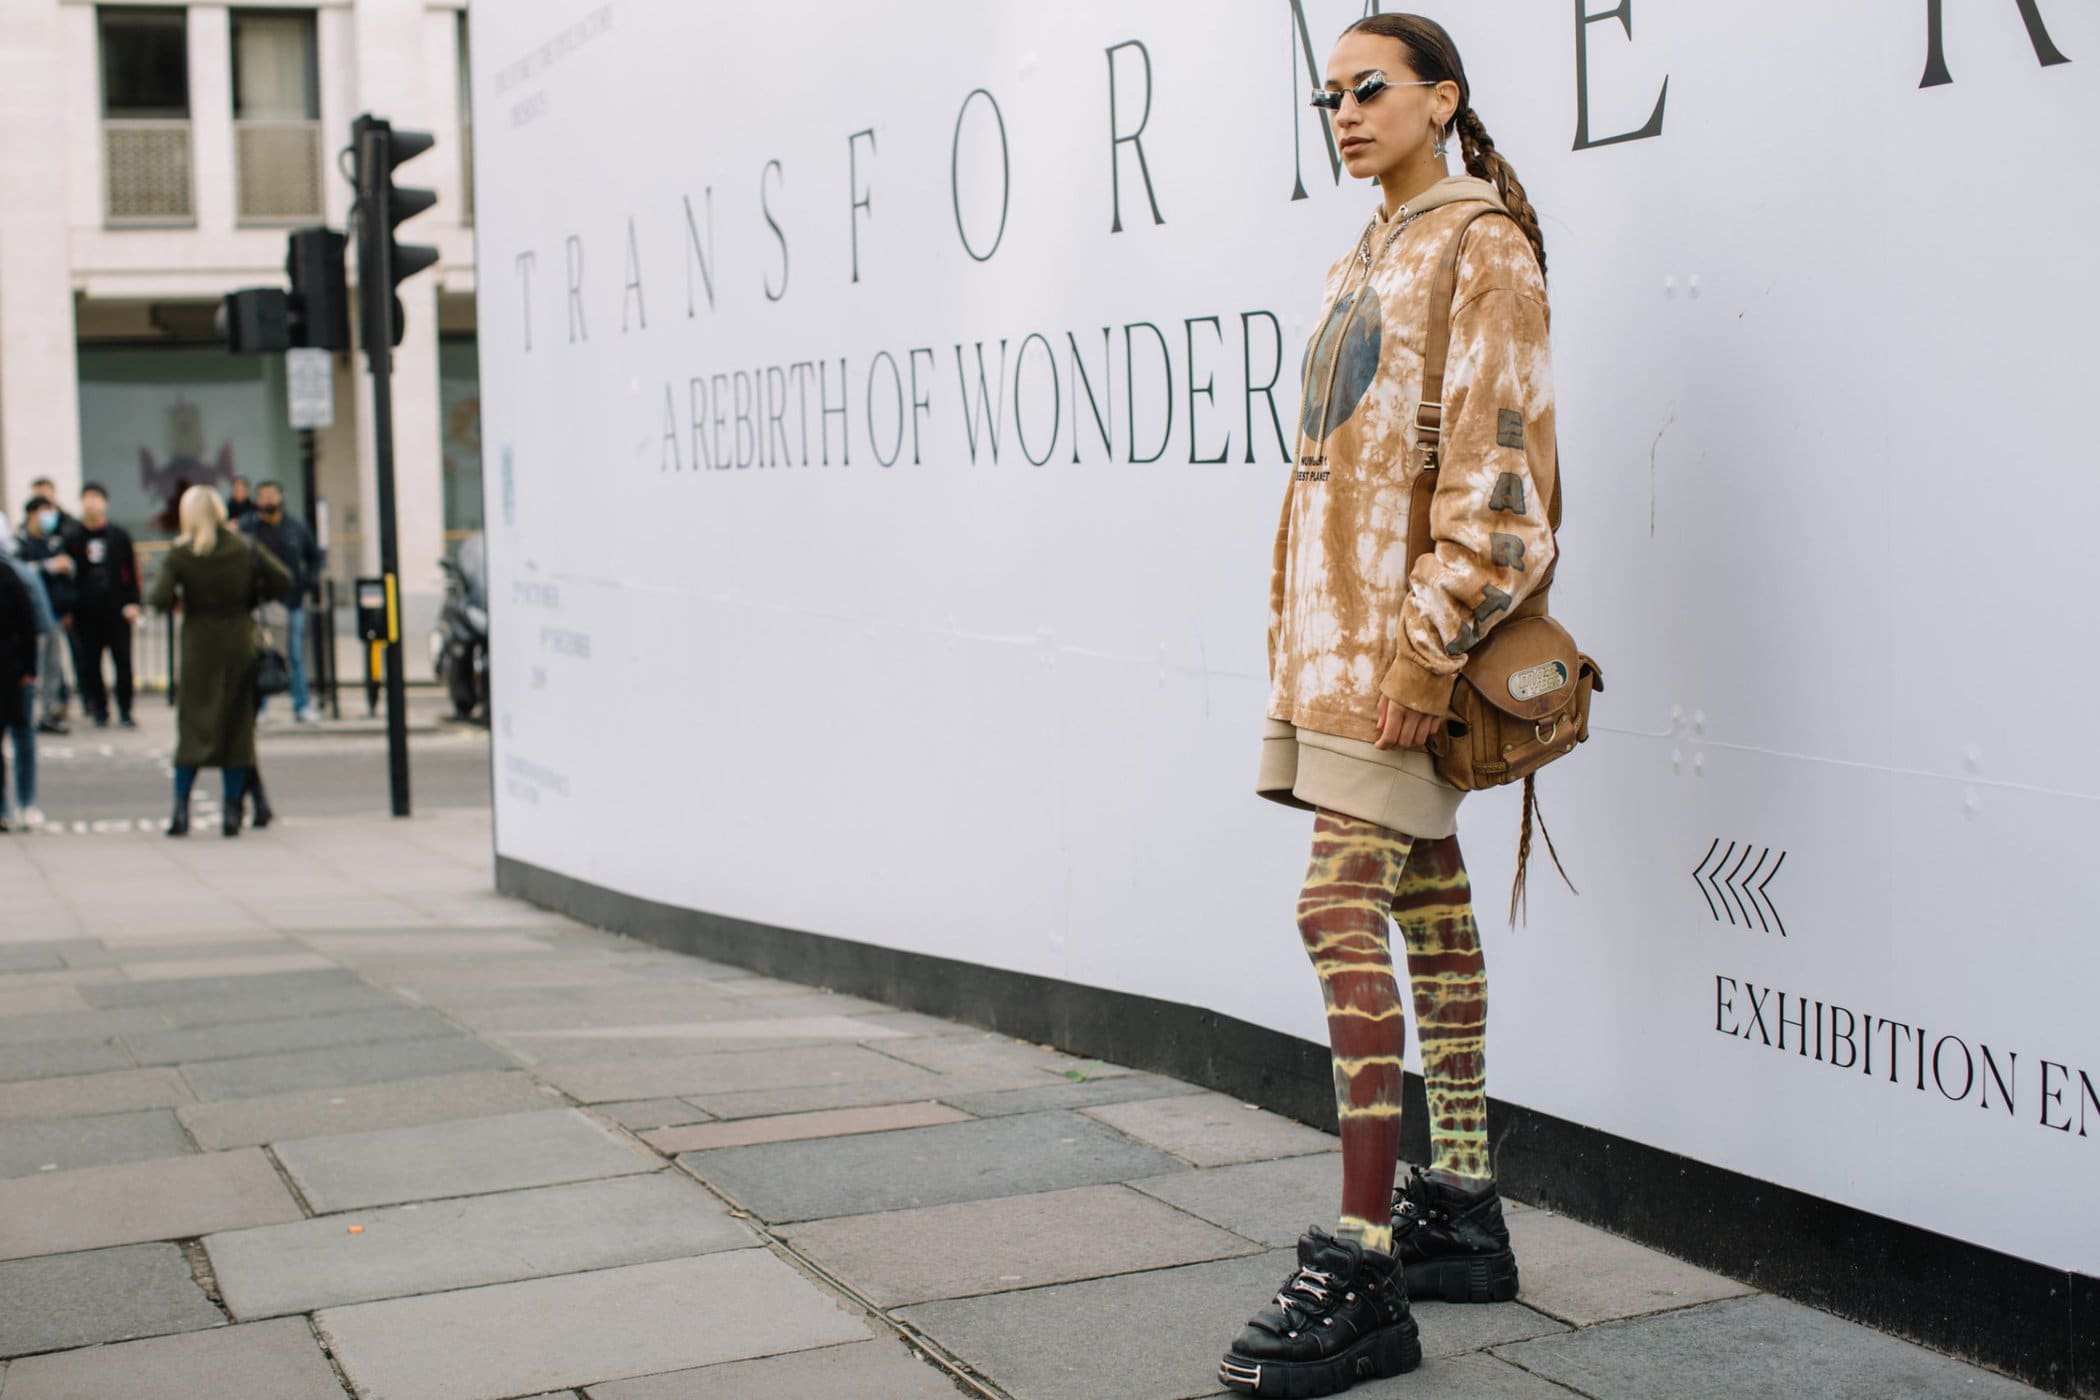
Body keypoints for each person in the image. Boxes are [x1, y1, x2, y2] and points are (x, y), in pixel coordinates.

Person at [1221, 15, 1559, 1396]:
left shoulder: (1483, 247)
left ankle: (1362, 1260)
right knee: (1425, 896)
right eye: (1331, 97)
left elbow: (1503, 482)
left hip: (1397, 660)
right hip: (1335, 654)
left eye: (1370, 89)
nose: (1346, 114)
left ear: (1442, 99)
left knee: (1333, 906)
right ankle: (1460, 1204)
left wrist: (1425, 652)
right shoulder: (1367, 249)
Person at [147, 485, 291, 837]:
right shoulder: (243, 547)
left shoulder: (181, 553)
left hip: (198, 645)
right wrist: (252, 596)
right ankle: (231, 812)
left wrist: (182, 600)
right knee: (236, 731)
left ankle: (181, 811)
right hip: (238, 641)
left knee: (192, 728)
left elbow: (158, 596)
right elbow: (283, 579)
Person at [237, 480, 320, 724]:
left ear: (281, 497)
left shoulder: (296, 527)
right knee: (259, 656)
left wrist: (307, 583)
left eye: (271, 495)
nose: (268, 501)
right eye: (262, 496)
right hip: (261, 604)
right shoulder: (249, 527)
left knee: (294, 655)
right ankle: (260, 706)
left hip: (292, 602)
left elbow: (314, 558)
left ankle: (301, 704)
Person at [63, 484, 141, 729]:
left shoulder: (118, 535)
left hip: (117, 609)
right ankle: (99, 709)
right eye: (87, 498)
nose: (91, 503)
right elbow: (67, 578)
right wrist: (68, 608)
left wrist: (134, 602)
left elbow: (132, 572)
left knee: (123, 662)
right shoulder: (72, 537)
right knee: (91, 663)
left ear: (105, 503)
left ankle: (125, 709)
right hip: (86, 612)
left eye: (96, 498)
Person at [0, 531, 56, 829]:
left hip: (14, 668)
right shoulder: (19, 575)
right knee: (23, 735)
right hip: (17, 670)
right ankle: (27, 803)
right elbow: (38, 623)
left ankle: (4, 809)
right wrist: (30, 670)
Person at [17, 498, 76, 734]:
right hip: (30, 617)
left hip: (53, 612)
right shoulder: (21, 543)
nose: (49, 516)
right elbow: (21, 572)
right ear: (32, 513)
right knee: (35, 667)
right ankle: (32, 713)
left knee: (53, 666)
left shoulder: (53, 542)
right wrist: (48, 566)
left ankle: (49, 712)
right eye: (44, 511)